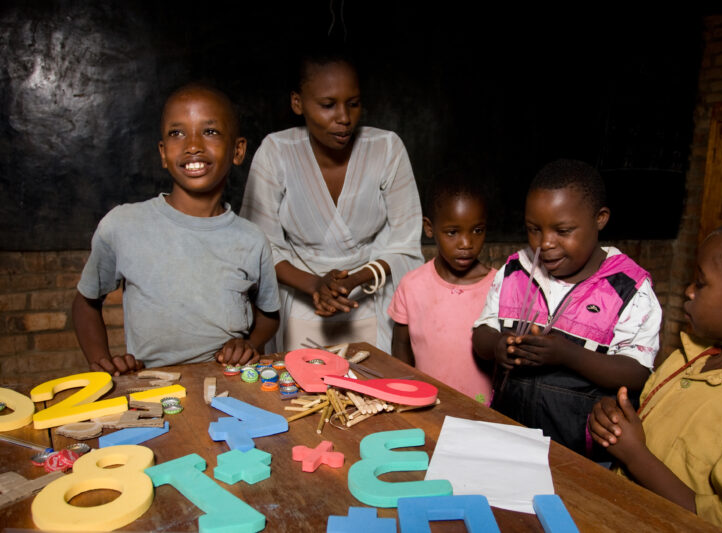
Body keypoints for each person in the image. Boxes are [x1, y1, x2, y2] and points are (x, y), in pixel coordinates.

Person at [589, 214, 722, 532]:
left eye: (701, 284)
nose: (688, 291)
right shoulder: (688, 360)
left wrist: (636, 456)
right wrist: (616, 422)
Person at [73, 84, 280, 375]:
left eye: (210, 131)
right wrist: (102, 363)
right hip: (153, 387)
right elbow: (85, 303)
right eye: (177, 133)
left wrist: (250, 344)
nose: (192, 145)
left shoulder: (252, 239)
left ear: (238, 150)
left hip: (229, 386)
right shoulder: (123, 225)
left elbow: (270, 314)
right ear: (163, 153)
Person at [472, 159, 661, 455]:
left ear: (600, 218)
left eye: (563, 230)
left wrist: (566, 354)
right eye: (534, 229)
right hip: (508, 439)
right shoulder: (515, 272)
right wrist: (498, 345)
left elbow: (636, 372)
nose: (545, 243)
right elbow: (482, 332)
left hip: (581, 456)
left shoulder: (629, 288)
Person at [240, 50, 423, 353]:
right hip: (299, 306)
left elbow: (405, 245)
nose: (344, 118)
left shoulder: (387, 148)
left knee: (372, 391)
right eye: (328, 105)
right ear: (297, 103)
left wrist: (353, 280)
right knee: (298, 393)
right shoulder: (276, 152)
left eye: (353, 104)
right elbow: (258, 245)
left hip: (371, 304)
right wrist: (314, 286)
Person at [388, 178, 495, 404]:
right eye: (452, 232)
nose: (466, 243)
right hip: (427, 407)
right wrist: (403, 395)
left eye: (477, 230)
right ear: (429, 228)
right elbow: (400, 347)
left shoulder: (499, 286)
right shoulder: (412, 285)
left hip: (483, 410)